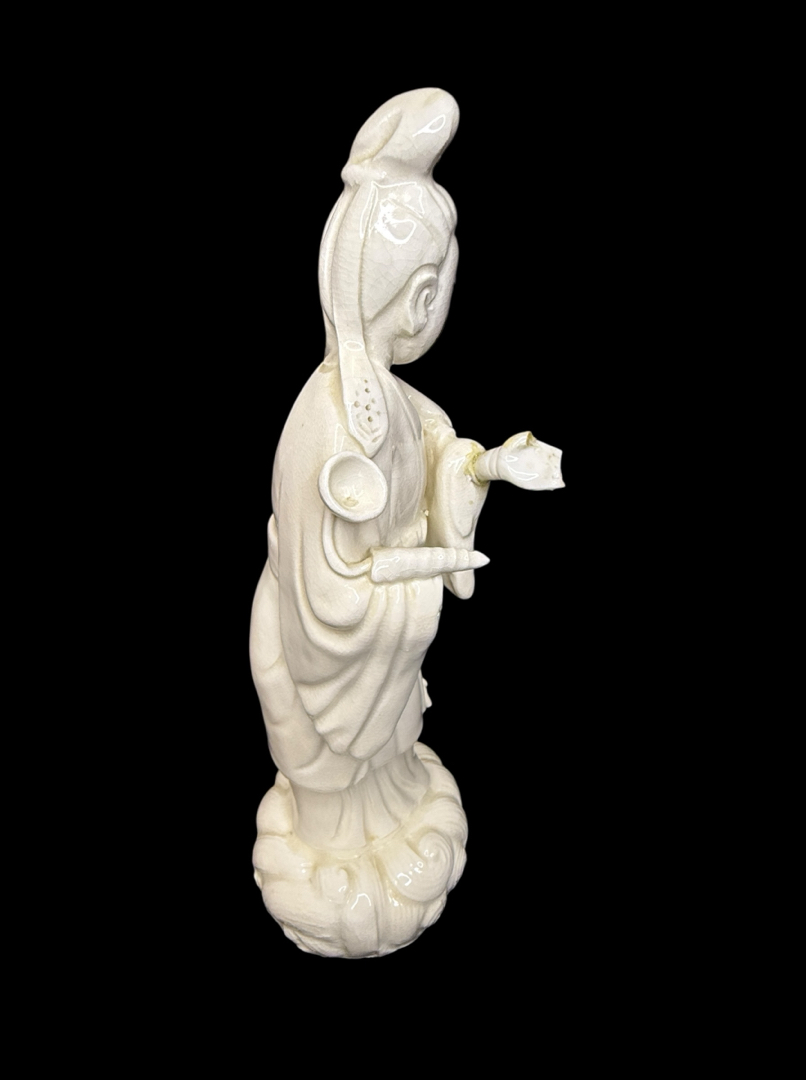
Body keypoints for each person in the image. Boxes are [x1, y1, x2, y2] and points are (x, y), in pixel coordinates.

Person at [250, 90, 562, 955]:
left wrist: (487, 467)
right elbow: (331, 605)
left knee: (390, 776)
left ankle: (379, 819)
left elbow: (438, 459)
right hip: (320, 671)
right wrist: (422, 575)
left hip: (377, 689)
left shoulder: (395, 402)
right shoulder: (330, 424)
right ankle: (335, 858)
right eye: (439, 288)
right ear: (418, 298)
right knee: (331, 791)